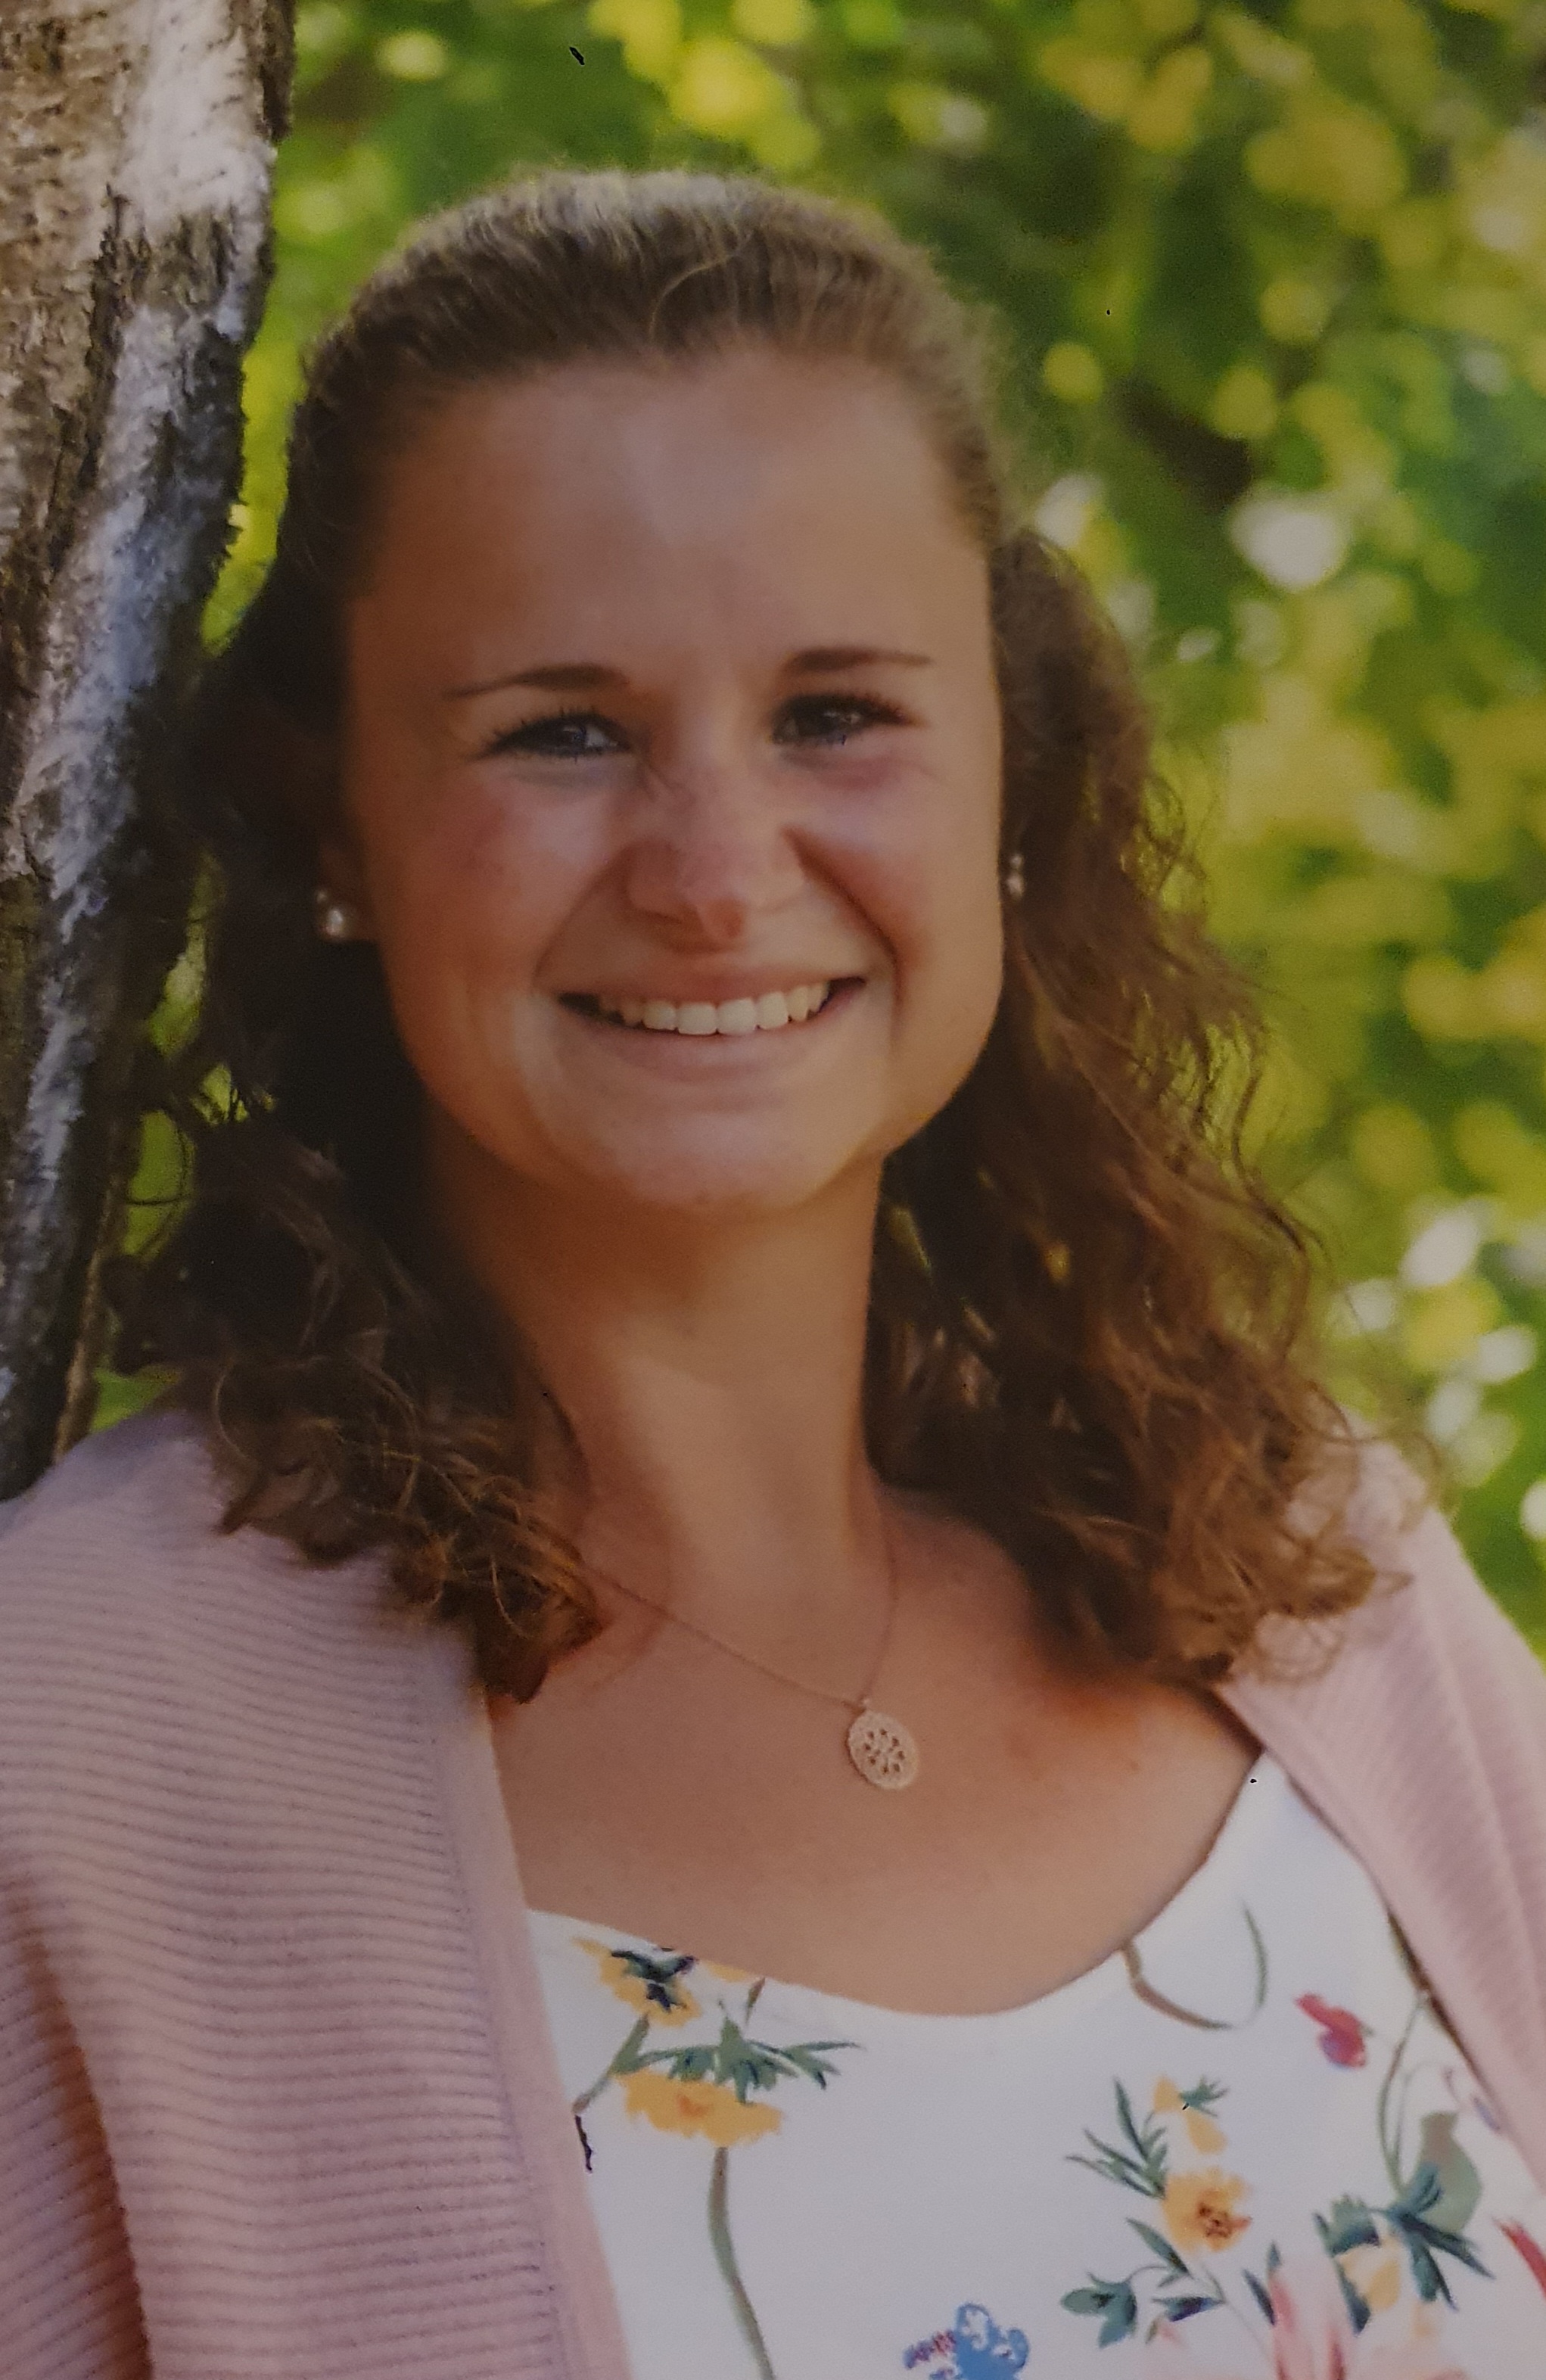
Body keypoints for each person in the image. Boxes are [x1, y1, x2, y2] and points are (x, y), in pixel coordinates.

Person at [2, 166, 1543, 2380]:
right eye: (562, 729)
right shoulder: (77, 1750)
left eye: (835, 713)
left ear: (1008, 771)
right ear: (332, 818)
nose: (717, 875)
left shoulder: (1311, 1572)